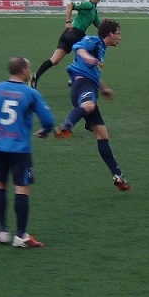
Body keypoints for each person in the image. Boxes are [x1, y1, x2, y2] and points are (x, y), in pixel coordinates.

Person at [0, 56, 56, 248]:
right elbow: (47, 119)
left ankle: (2, 231)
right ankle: (21, 235)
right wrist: (45, 130)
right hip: (20, 149)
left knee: (0, 185)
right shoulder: (30, 93)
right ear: (23, 70)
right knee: (21, 189)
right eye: (28, 68)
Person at [55, 19, 130, 190]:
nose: (120, 37)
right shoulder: (95, 41)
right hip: (82, 85)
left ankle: (117, 175)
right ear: (110, 34)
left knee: (102, 135)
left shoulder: (101, 49)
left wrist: (104, 88)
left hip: (89, 85)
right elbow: (77, 47)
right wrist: (86, 56)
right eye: (118, 34)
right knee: (89, 105)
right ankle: (66, 125)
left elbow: (94, 72)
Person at [32, 0, 102, 88]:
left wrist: (109, 32)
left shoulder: (94, 11)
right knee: (86, 52)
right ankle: (75, 76)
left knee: (54, 60)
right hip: (75, 34)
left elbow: (100, 27)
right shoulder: (88, 5)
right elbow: (70, 5)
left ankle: (35, 77)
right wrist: (68, 21)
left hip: (67, 34)